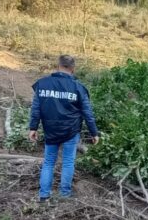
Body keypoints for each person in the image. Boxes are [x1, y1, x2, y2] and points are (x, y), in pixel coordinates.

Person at [28, 55, 99, 201]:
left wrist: (33, 127)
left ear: (58, 65)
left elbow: (36, 108)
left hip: (50, 130)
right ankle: (64, 194)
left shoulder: (43, 84)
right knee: (68, 162)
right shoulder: (78, 88)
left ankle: (44, 195)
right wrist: (94, 132)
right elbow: (87, 112)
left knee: (48, 162)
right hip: (71, 131)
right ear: (73, 69)